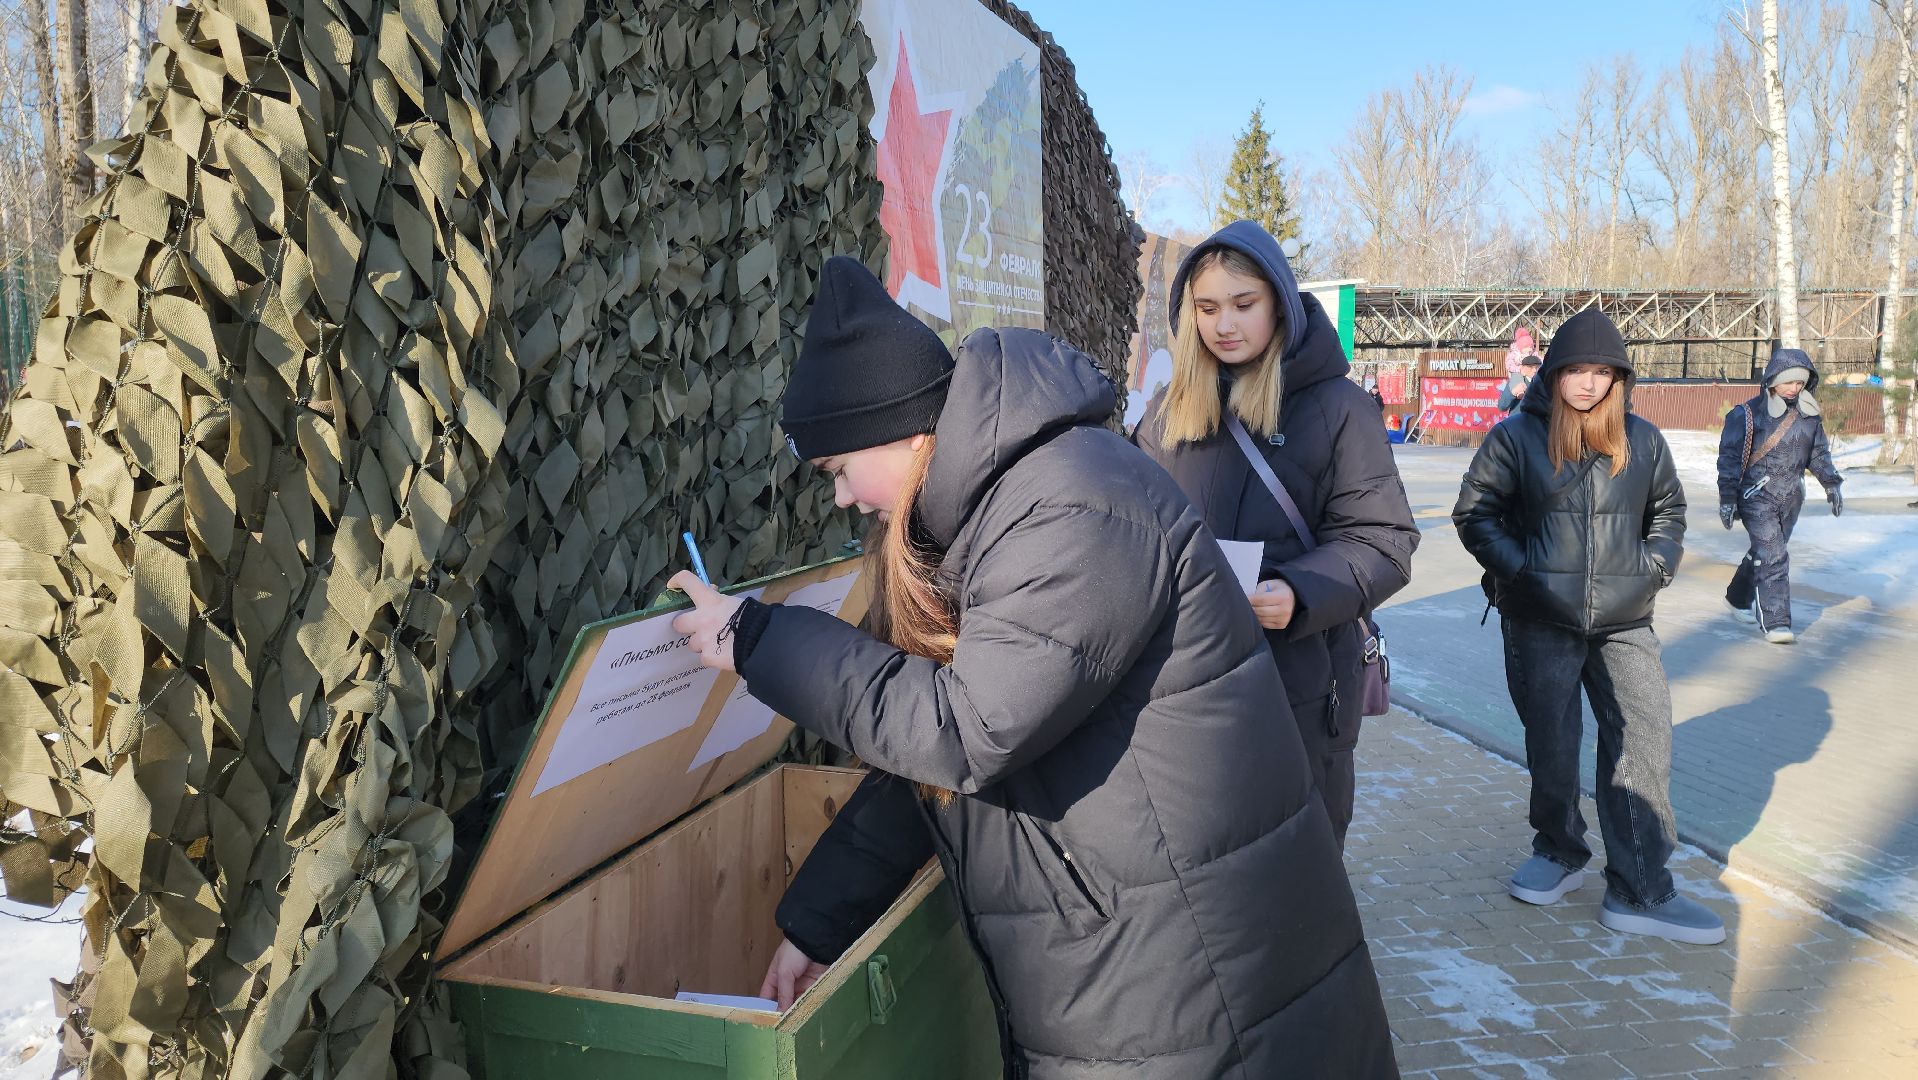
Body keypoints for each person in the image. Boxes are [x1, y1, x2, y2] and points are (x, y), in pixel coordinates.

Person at [669, 256, 1397, 1079]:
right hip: (1130, 956)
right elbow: (928, 770)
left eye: (839, 470)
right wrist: (819, 922)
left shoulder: (1072, 504)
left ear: (904, 432)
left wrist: (758, 639)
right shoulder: (1002, 510)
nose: (842, 498)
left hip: (1187, 980)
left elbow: (963, 731)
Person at [1131, 220, 1418, 848]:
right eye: (1207, 308)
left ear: (1280, 305)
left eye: (1243, 304)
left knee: (1299, 860)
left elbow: (1384, 540)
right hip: (1186, 683)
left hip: (1301, 685)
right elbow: (1133, 527)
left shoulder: (1340, 408)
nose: (1224, 324)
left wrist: (1298, 591)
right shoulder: (1167, 412)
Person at [1452, 308, 1725, 945]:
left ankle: (1639, 886)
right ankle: (1558, 848)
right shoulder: (1516, 436)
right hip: (1540, 617)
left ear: (1618, 379)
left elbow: (1669, 510)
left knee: (1643, 737)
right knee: (1552, 739)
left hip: (1626, 621)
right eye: (1576, 369)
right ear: (1555, 372)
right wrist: (1524, 573)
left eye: (1603, 372)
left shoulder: (1642, 439)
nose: (1588, 383)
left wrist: (1653, 569)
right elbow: (1475, 512)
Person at [1716, 347, 1844, 644]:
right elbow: (1729, 460)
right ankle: (1776, 623)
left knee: (1764, 552)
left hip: (1791, 497)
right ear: (1773, 379)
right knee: (1774, 555)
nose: (1794, 388)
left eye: (1800, 382)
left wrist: (1831, 483)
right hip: (1756, 495)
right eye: (1788, 381)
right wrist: (1727, 498)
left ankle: (1737, 598)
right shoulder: (1746, 415)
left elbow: (1818, 454)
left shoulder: (1809, 416)